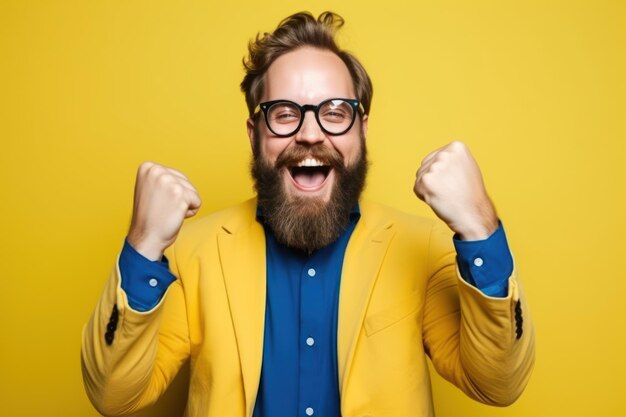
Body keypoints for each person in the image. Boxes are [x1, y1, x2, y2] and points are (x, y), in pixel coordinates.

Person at [81, 11, 534, 417]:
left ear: (362, 129)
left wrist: (480, 227)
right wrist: (143, 245)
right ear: (255, 133)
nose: (311, 133)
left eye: (335, 112)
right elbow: (114, 396)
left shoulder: (423, 247)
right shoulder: (189, 253)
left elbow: (498, 385)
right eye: (284, 113)